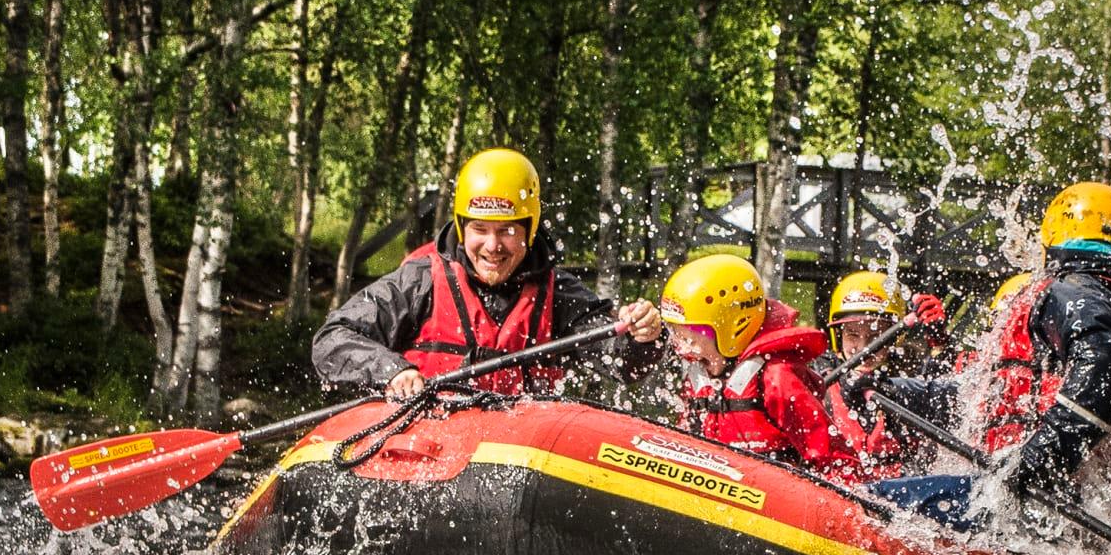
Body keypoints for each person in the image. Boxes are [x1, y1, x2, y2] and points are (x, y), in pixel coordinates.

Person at [870, 183, 1111, 530]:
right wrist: (894, 389)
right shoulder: (1106, 296)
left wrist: (1032, 462)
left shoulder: (1073, 291)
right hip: (1051, 494)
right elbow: (981, 396)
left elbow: (1095, 385)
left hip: (1038, 501)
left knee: (874, 500)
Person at [312, 148, 662, 398]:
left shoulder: (560, 295)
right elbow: (332, 338)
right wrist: (392, 370)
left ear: (530, 229)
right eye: (480, 229)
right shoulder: (419, 282)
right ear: (463, 228)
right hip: (429, 446)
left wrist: (641, 338)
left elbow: (622, 363)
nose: (493, 246)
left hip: (518, 455)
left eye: (508, 231)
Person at [659, 253, 857, 477]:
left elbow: (834, 459)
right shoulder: (698, 378)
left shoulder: (777, 378)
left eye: (693, 331)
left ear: (732, 327)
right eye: (675, 330)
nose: (681, 342)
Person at [814, 270, 950, 481]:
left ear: (893, 337)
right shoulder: (819, 380)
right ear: (838, 336)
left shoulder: (906, 380)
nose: (863, 348)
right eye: (852, 335)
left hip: (896, 495)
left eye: (875, 336)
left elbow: (948, 398)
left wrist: (940, 347)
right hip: (836, 497)